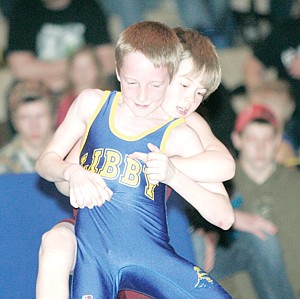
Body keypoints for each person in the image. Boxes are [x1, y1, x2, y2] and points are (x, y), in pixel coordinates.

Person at [36, 21, 234, 298]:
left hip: (141, 245)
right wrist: (74, 175)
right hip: (92, 234)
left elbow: (225, 169)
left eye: (200, 93)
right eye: (185, 85)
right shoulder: (106, 108)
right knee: (55, 243)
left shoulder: (185, 126)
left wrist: (174, 172)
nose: (189, 100)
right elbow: (59, 177)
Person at [191, 104, 299, 299]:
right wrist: (209, 232)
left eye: (267, 139)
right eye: (252, 138)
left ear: (277, 141)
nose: (260, 147)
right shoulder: (218, 183)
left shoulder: (295, 183)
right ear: (237, 139)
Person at [5, 0, 116, 95]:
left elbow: (108, 62)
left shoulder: (89, 6)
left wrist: (65, 82)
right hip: (42, 89)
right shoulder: (23, 9)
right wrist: (76, 71)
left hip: (85, 87)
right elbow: (21, 69)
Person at [244, 15, 300, 158]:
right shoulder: (286, 29)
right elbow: (253, 66)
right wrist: (259, 105)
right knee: (278, 152)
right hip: (290, 112)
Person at [0, 80, 55, 173]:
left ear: (53, 117)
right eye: (25, 118)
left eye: (40, 116)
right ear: (14, 122)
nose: (34, 125)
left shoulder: (74, 157)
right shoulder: (4, 163)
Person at [56, 45, 109, 127]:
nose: (83, 72)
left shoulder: (108, 100)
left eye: (88, 67)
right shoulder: (65, 103)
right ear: (70, 72)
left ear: (98, 69)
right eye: (77, 68)